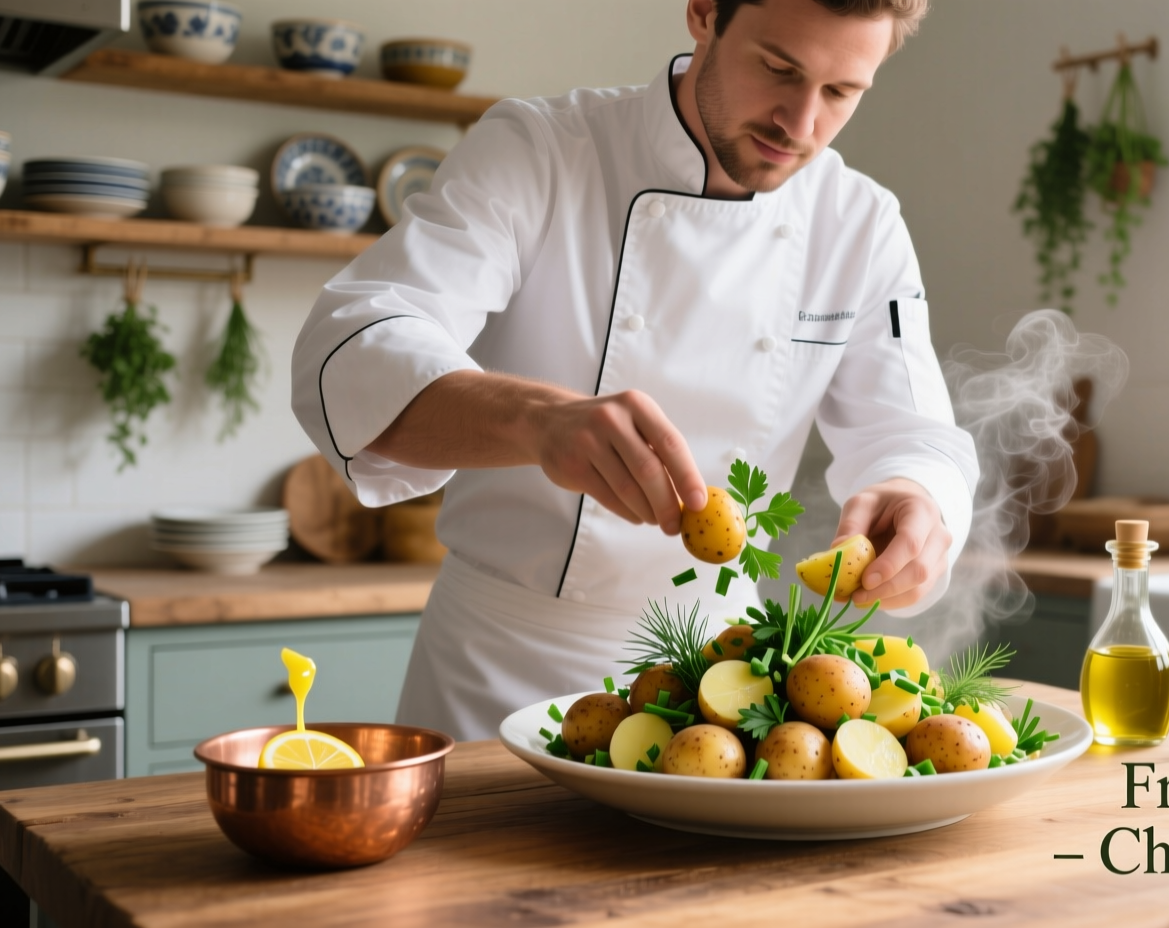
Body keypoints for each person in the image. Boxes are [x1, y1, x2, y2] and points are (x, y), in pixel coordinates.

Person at [290, 0, 978, 741]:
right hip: (500, 668)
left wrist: (918, 496)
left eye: (841, 92)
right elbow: (353, 345)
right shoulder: (542, 150)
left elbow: (913, 434)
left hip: (720, 686)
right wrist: (536, 421)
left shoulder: (860, 224)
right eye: (779, 69)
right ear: (704, 12)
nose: (800, 123)